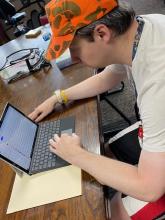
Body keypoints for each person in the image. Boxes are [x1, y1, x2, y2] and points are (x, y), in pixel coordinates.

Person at [29, 0, 165, 219]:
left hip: (154, 181)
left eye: (74, 48)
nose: (73, 58)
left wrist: (76, 154)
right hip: (154, 127)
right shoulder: (141, 29)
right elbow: (110, 75)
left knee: (110, 211)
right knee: (107, 151)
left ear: (102, 33)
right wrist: (58, 97)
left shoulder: (158, 81)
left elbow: (149, 187)